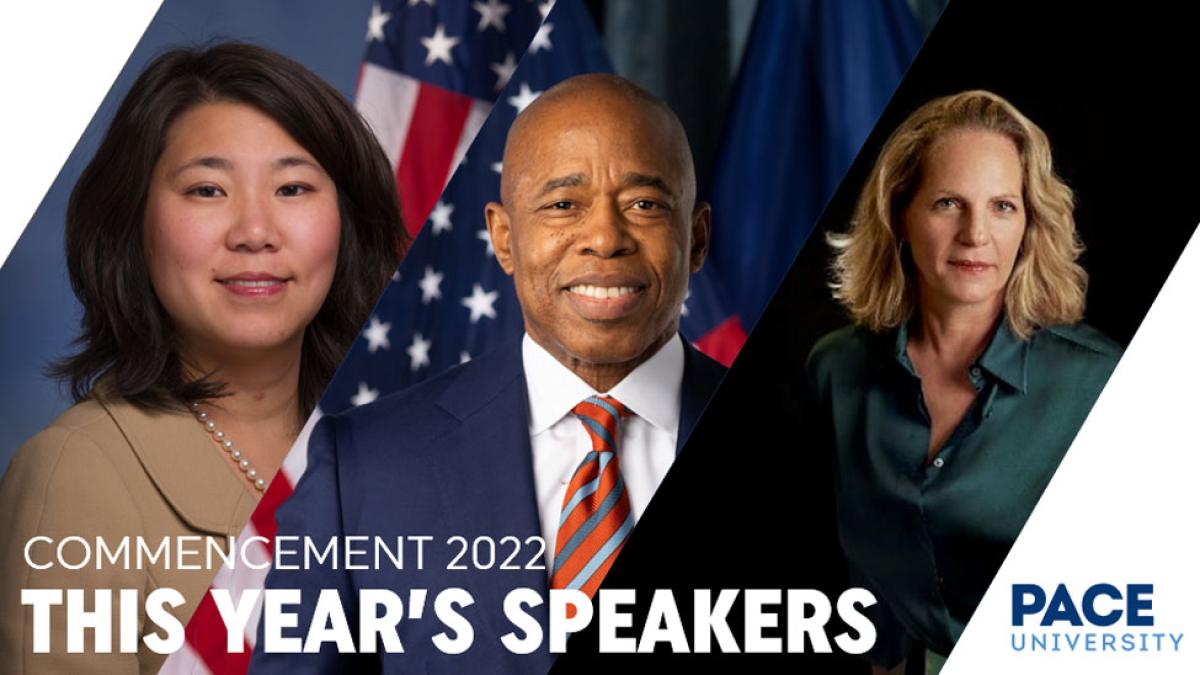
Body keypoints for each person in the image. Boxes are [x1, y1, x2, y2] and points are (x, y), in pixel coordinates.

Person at [250, 73, 727, 673]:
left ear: (698, 237)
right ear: (504, 238)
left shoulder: (809, 447)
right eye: (562, 205)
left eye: (644, 205)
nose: (605, 238)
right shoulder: (363, 468)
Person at [0, 42, 407, 673]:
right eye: (208, 189)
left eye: (293, 187)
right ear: (132, 224)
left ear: (346, 223)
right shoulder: (76, 476)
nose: (254, 231)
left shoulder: (389, 446)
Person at [806, 90, 1121, 674]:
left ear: (1029, 222)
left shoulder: (1101, 385)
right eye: (949, 202)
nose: (977, 234)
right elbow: (855, 581)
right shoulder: (835, 371)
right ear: (901, 213)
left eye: (1003, 206)